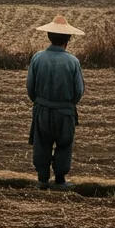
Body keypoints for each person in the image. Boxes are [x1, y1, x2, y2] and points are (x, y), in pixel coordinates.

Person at [26, 15, 86, 191]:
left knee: (42, 143)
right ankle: (60, 180)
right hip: (65, 111)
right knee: (64, 143)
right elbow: (79, 91)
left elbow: (30, 87)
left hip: (42, 109)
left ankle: (42, 179)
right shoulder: (73, 61)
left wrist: (40, 103)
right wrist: (68, 104)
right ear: (68, 39)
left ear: (49, 37)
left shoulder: (37, 58)